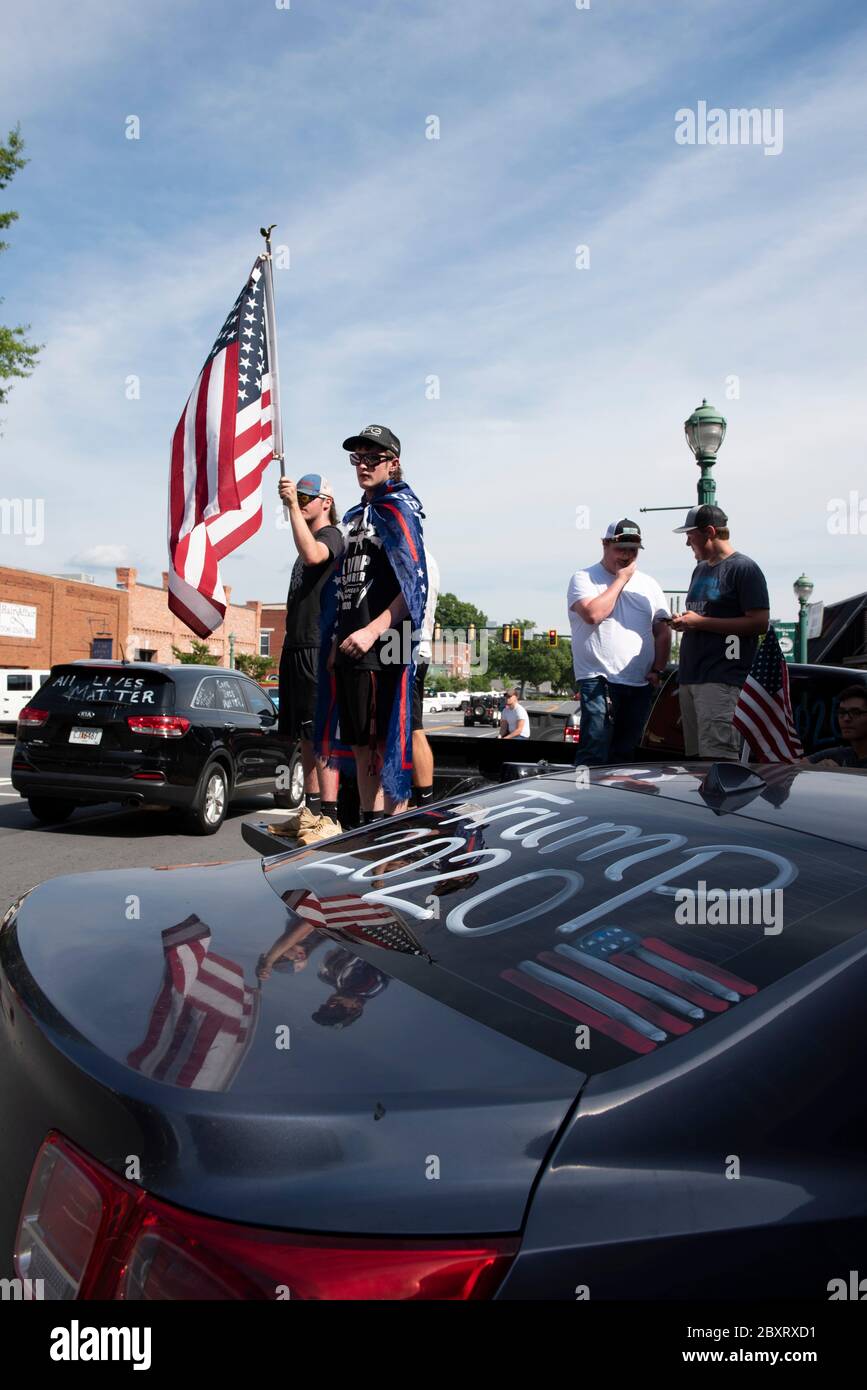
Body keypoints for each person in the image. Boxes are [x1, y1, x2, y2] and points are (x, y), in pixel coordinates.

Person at [316, 425, 427, 821]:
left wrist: (373, 630)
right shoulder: (353, 517)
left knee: (387, 745)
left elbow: (414, 587)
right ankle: (368, 830)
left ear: (393, 464)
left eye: (372, 458)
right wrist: (335, 640)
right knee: (361, 746)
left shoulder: (399, 511)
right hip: (349, 649)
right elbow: (344, 587)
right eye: (356, 458)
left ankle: (392, 836)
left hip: (384, 648)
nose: (362, 465)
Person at [669, 505, 769, 761]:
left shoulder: (744, 568)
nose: (687, 542)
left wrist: (700, 622)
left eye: (690, 535)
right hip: (691, 677)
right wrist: (684, 622)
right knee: (696, 762)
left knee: (719, 761)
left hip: (722, 678)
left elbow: (759, 623)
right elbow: (702, 617)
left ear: (710, 532)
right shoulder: (700, 570)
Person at [567, 519, 671, 764]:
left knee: (625, 753)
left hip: (639, 682)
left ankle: (615, 800)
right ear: (605, 545)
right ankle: (586, 799)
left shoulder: (649, 584)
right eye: (620, 548)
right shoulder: (584, 578)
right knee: (595, 747)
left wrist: (658, 669)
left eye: (632, 550)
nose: (626, 555)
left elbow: (663, 630)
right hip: (599, 678)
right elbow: (593, 615)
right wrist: (621, 580)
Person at [275, 472, 344, 843]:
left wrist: (289, 507)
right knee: (304, 737)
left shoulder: (331, 535)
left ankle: (330, 817)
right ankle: (311, 811)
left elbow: (313, 554)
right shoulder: (308, 535)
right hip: (295, 647)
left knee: (321, 737)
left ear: (326, 502)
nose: (301, 502)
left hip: (317, 648)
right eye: (298, 497)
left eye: (307, 497)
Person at [411, 546, 440, 806]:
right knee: (412, 727)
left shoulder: (412, 554)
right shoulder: (426, 556)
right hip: (412, 648)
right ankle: (423, 802)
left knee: (411, 728)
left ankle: (424, 803)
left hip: (404, 650)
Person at [806, 685, 867, 768]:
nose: (846, 718)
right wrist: (817, 766)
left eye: (855, 712)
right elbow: (790, 766)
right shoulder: (841, 755)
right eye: (842, 712)